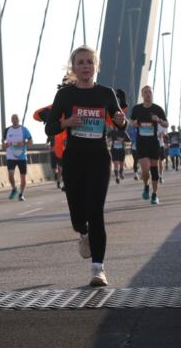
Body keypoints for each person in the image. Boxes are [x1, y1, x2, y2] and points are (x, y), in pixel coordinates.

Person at [44, 45, 127, 287]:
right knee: (78, 216)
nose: (85, 67)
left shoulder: (106, 93)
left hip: (99, 157)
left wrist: (122, 121)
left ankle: (98, 269)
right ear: (73, 67)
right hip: (73, 159)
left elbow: (121, 121)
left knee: (96, 211)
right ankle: (82, 231)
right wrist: (67, 122)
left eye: (89, 62)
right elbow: (50, 128)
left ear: (96, 66)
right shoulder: (65, 95)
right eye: (80, 62)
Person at [129, 85, 168, 205]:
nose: (147, 94)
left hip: (153, 143)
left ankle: (155, 195)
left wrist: (159, 120)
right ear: (142, 95)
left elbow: (166, 124)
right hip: (142, 143)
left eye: (149, 92)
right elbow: (131, 121)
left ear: (152, 94)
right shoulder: (137, 108)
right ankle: (146, 185)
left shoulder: (158, 109)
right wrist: (134, 123)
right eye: (145, 92)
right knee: (145, 170)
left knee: (154, 170)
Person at [3, 114, 33, 201]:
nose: (15, 120)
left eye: (16, 118)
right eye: (13, 119)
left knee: (23, 177)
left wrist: (23, 143)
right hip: (10, 156)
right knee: (10, 174)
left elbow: (31, 142)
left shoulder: (24, 130)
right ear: (11, 120)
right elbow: (4, 143)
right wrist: (6, 144)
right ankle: (14, 188)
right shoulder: (7, 130)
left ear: (19, 120)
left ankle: (21, 194)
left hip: (22, 157)